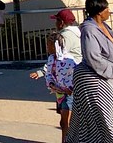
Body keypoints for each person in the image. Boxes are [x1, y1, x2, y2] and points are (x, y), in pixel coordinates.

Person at [66, 0, 113, 143]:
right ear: (99, 12)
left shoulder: (105, 27)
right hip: (92, 80)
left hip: (108, 78)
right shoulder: (89, 30)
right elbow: (93, 58)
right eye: (107, 9)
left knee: (112, 117)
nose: (109, 11)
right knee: (98, 121)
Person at [29, 8, 83, 143]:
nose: (55, 23)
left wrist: (42, 72)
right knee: (66, 117)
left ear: (61, 22)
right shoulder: (77, 33)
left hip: (68, 84)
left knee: (66, 118)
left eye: (57, 20)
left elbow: (57, 58)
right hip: (67, 82)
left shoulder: (65, 37)